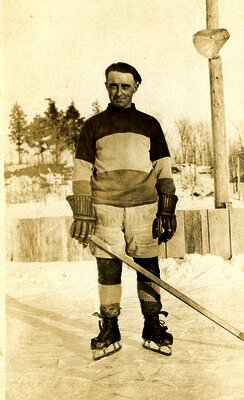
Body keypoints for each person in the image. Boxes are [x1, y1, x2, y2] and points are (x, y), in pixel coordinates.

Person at [67, 62, 178, 360]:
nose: (119, 91)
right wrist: (83, 209)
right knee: (108, 268)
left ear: (136, 87)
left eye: (125, 86)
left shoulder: (149, 124)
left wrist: (167, 207)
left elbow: (163, 168)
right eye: (113, 85)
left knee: (148, 267)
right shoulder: (93, 125)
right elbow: (81, 170)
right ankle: (110, 326)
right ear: (106, 86)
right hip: (105, 208)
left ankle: (152, 325)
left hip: (144, 207)